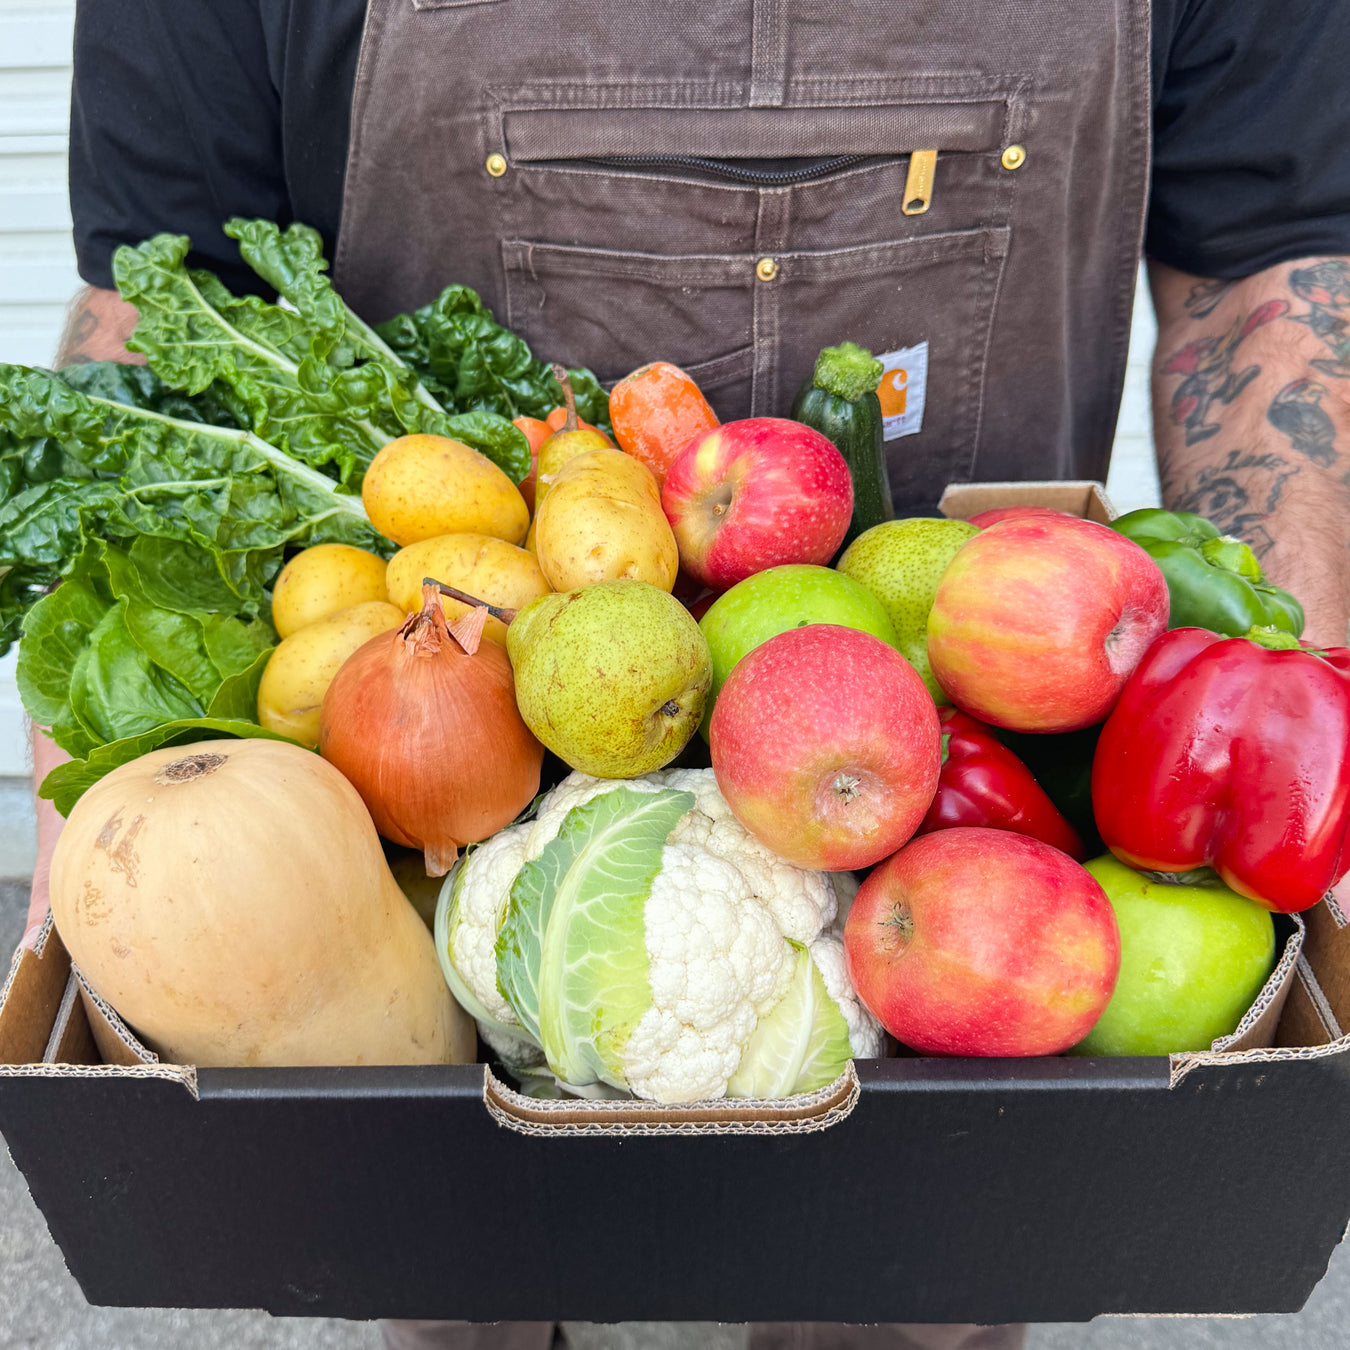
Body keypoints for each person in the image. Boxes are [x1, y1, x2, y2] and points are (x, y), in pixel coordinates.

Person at [25, 2, 1350, 1348]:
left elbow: (1262, 272)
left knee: (925, 1284)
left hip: (986, 732)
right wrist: (106, 784)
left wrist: (1295, 735)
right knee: (448, 1270)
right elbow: (163, 298)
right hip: (443, 712)